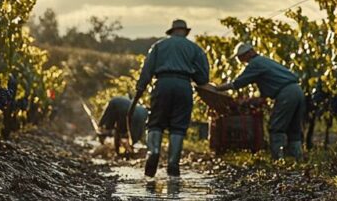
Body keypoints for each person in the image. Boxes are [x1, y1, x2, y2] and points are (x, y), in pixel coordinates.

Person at [129, 19, 210, 178]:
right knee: (178, 126)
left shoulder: (159, 46)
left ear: (172, 32)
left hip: (162, 84)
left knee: (156, 122)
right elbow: (203, 78)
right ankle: (173, 164)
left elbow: (147, 70)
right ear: (185, 32)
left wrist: (140, 90)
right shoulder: (195, 49)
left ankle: (154, 152)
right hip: (184, 87)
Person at [215, 42, 304, 160]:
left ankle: (278, 159)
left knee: (276, 127)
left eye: (241, 56)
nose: (240, 60)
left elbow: (238, 83)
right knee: (294, 129)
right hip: (297, 90)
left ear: (249, 53)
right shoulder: (264, 60)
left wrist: (217, 88)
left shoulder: (255, 63)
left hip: (286, 94)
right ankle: (297, 159)